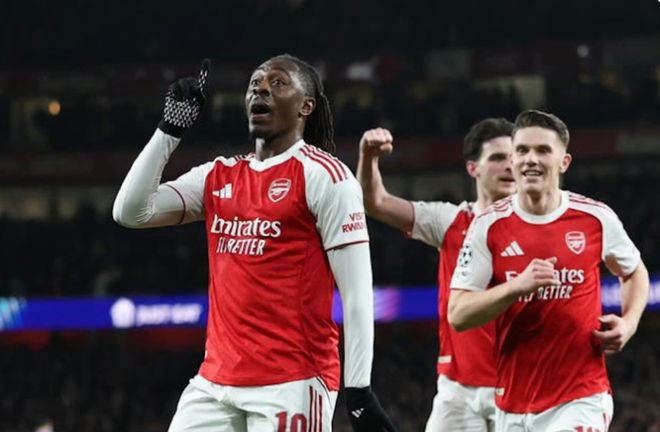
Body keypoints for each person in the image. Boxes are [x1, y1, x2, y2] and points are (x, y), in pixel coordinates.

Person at [113, 55, 396, 432]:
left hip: (292, 383)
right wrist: (170, 130)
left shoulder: (326, 176)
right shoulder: (218, 175)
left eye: (278, 83)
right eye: (255, 84)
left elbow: (357, 293)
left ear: (306, 106)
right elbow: (130, 212)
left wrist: (359, 389)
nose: (261, 88)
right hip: (214, 384)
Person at [449, 109, 649, 432]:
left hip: (581, 397)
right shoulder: (487, 226)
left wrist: (629, 322)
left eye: (543, 150)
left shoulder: (595, 218)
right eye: (522, 150)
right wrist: (517, 286)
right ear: (512, 160)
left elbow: (634, 271)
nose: (531, 159)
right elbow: (458, 313)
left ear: (564, 162)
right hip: (512, 404)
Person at [356, 118, 516, 431]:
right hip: (458, 393)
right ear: (473, 168)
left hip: (519, 386)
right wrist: (368, 157)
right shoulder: (449, 220)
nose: (509, 165)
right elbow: (376, 202)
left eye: (513, 157)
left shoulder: (540, 226)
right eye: (498, 158)